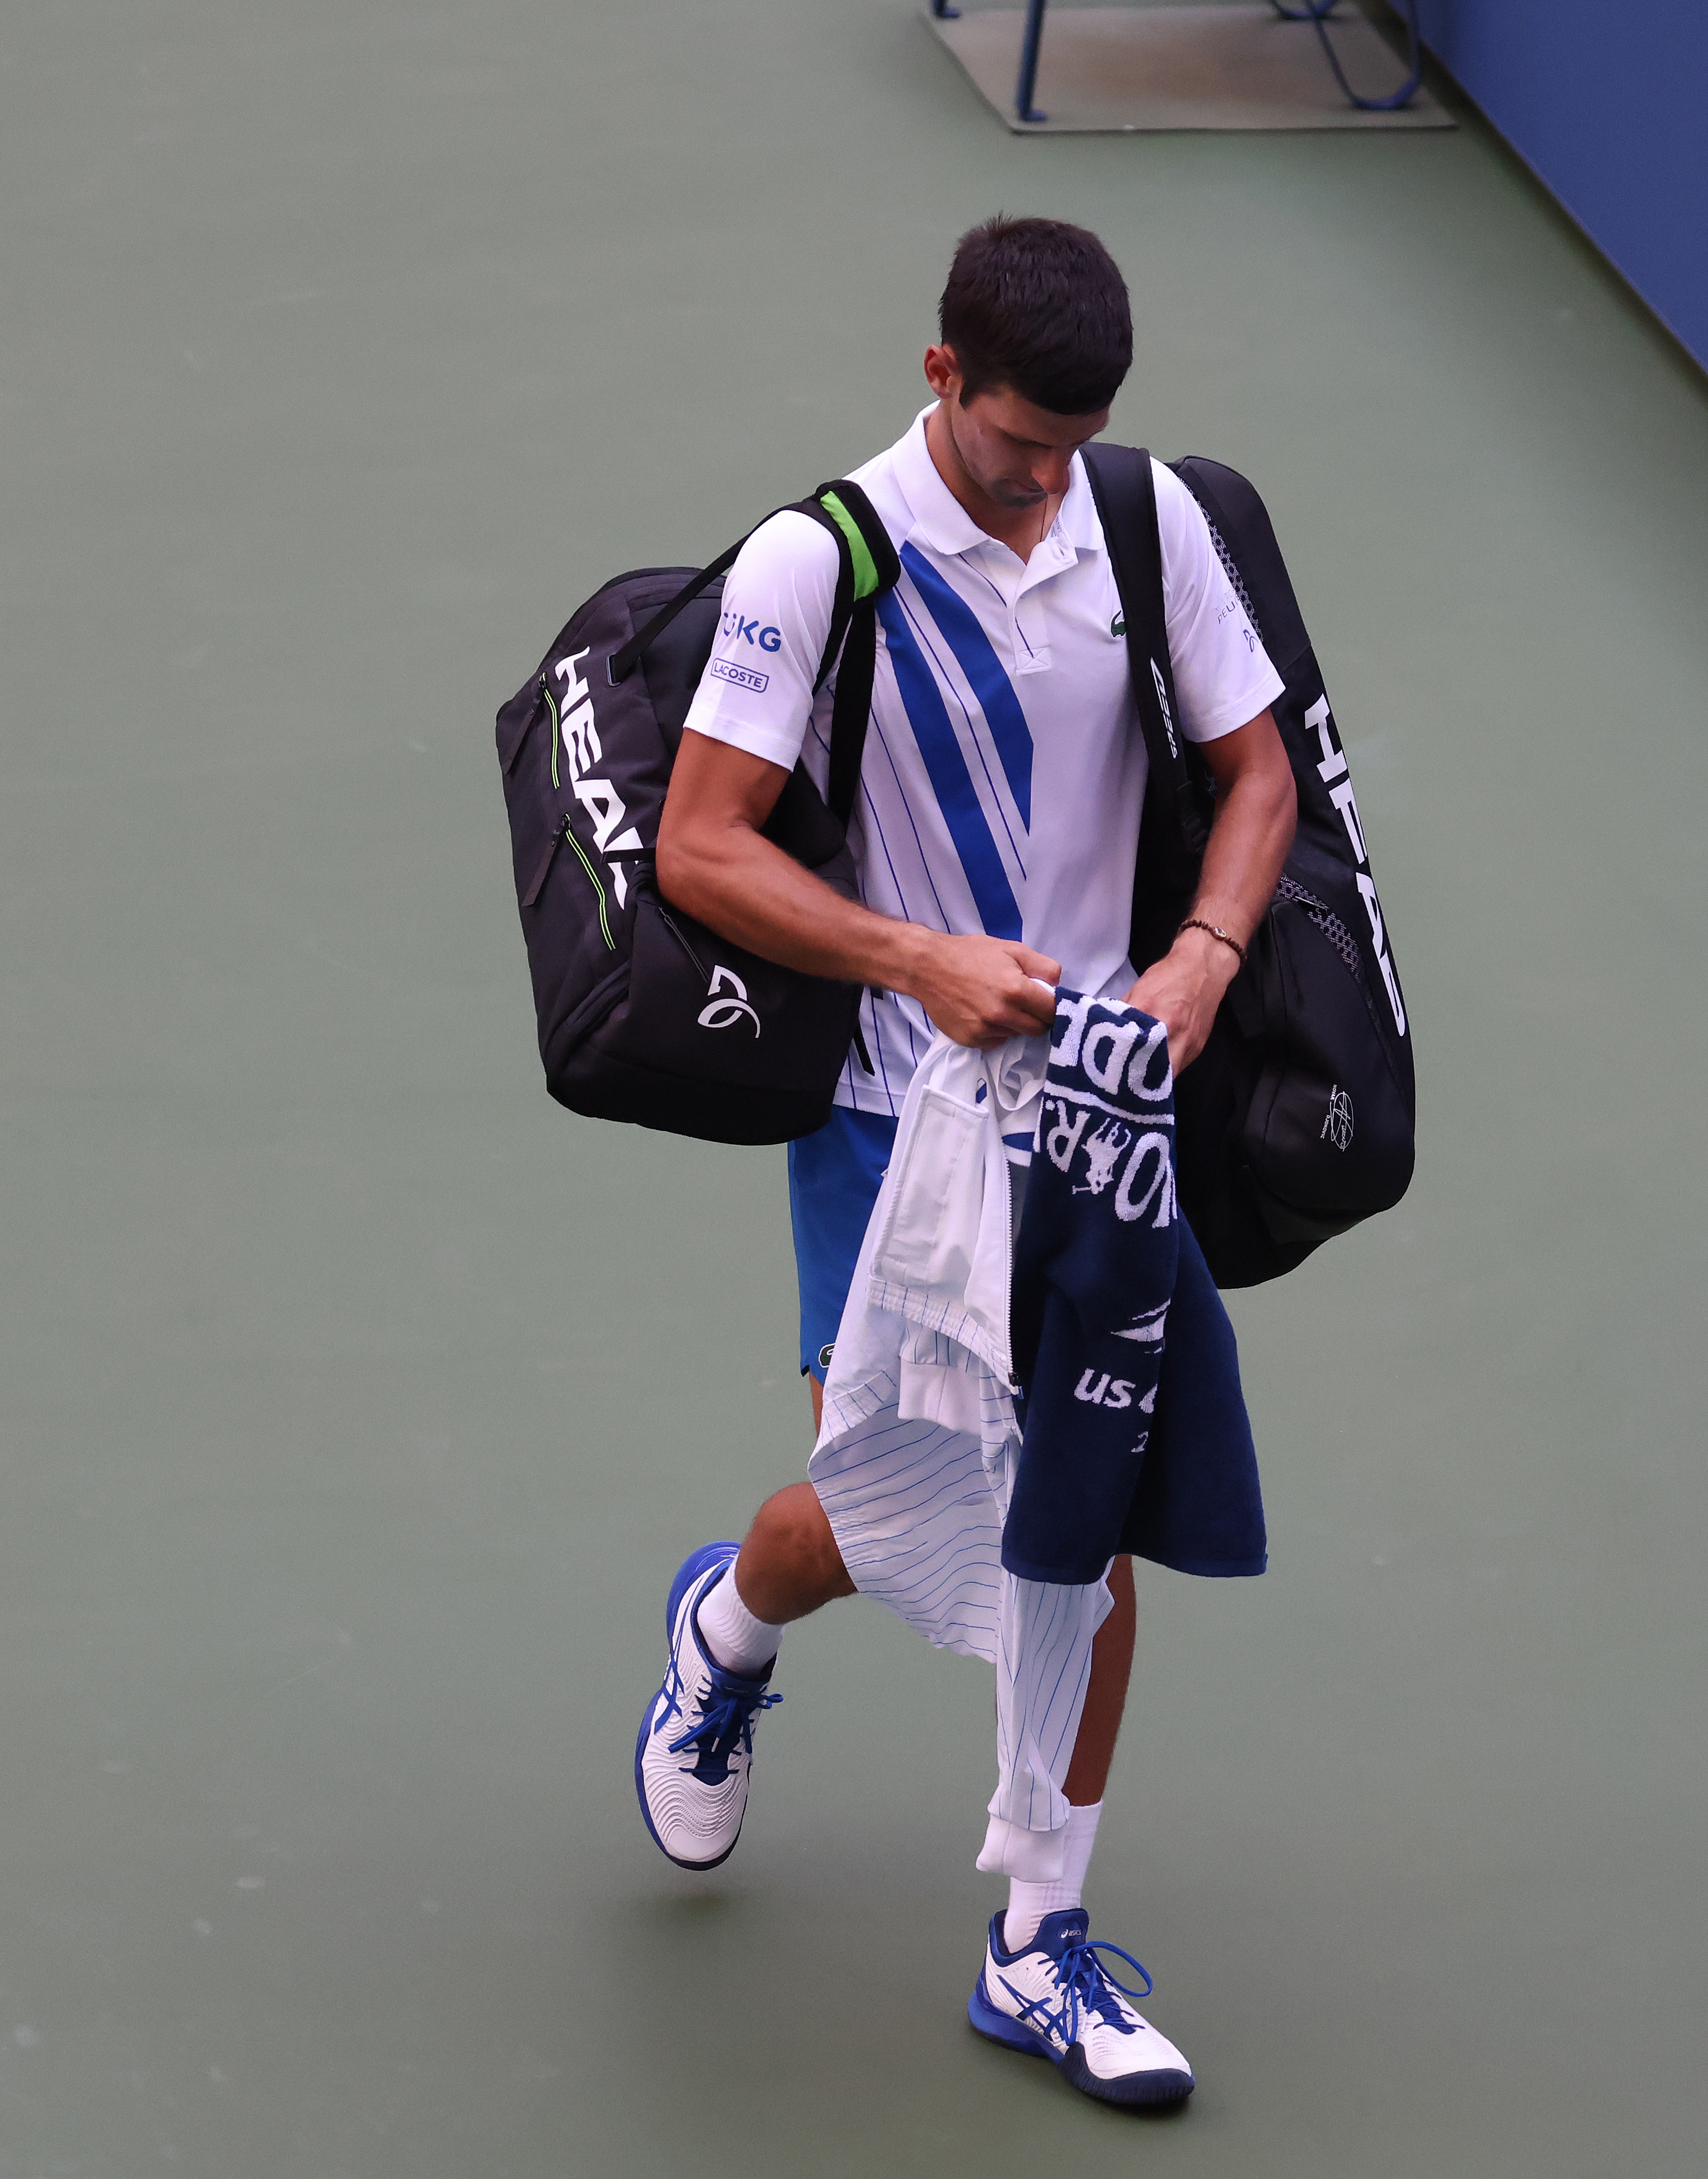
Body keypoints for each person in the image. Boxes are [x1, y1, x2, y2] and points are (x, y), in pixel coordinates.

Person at [634, 216, 1296, 2106]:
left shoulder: (1145, 528)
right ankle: (726, 1627)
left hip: (1100, 1120)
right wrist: (918, 960)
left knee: (1086, 1526)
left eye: (1071, 445)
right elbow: (703, 844)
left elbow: (1258, 775)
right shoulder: (815, 561)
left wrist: (1200, 959)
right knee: (882, 1519)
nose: (1041, 481)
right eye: (1014, 443)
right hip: (890, 1121)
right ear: (942, 379)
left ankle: (1040, 1944)